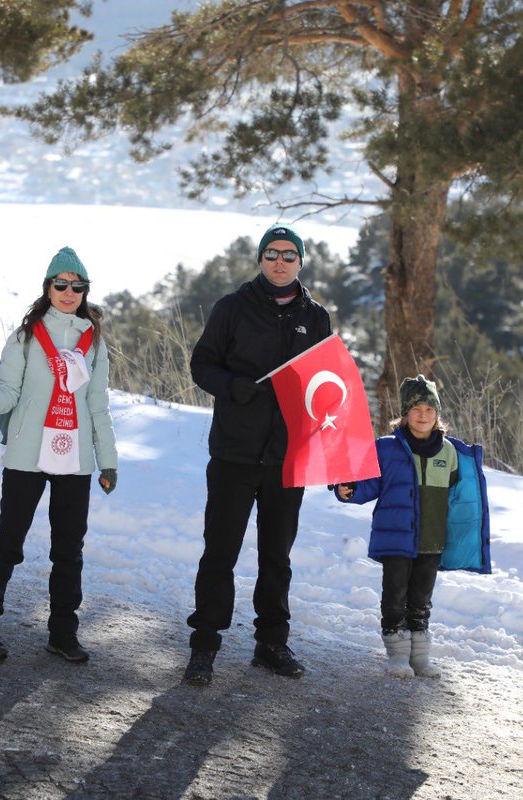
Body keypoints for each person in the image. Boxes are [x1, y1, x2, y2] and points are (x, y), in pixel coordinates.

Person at [0, 246, 117, 664]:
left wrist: (108, 460)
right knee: (9, 541)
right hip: (26, 454)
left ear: (85, 291)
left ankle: (63, 634)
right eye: (61, 284)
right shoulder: (25, 337)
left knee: (69, 549)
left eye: (78, 286)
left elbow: (98, 406)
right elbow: (8, 395)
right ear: (48, 287)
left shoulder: (95, 343)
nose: (69, 291)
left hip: (75, 458)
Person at [183, 223, 332, 686]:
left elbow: (328, 385)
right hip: (234, 451)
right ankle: (204, 645)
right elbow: (201, 365)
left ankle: (271, 644)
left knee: (276, 556)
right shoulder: (232, 308)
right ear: (260, 259)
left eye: (289, 254)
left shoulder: (317, 316)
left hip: (288, 457)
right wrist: (233, 388)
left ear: (301, 262)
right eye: (272, 253)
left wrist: (334, 452)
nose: (280, 261)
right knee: (220, 552)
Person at [333, 375, 491, 678]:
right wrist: (349, 490)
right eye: (417, 409)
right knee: (395, 596)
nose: (423, 415)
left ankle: (419, 657)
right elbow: (369, 485)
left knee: (421, 600)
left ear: (437, 414)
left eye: (430, 410)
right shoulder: (387, 449)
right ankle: (397, 656)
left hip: (432, 539)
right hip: (396, 538)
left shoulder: (449, 453)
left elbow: (460, 499)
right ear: (405, 413)